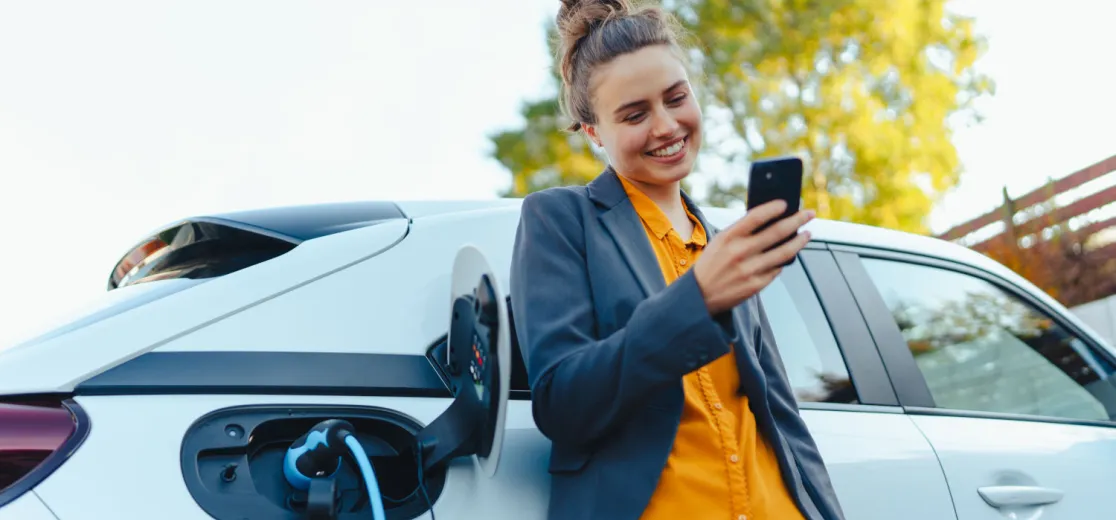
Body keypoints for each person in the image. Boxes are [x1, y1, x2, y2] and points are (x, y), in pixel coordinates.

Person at [509, 0, 847, 519]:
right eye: (635, 114)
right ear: (594, 131)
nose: (666, 126)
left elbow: (781, 417)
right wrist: (698, 298)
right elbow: (563, 402)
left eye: (676, 98)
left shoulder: (723, 243)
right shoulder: (560, 220)